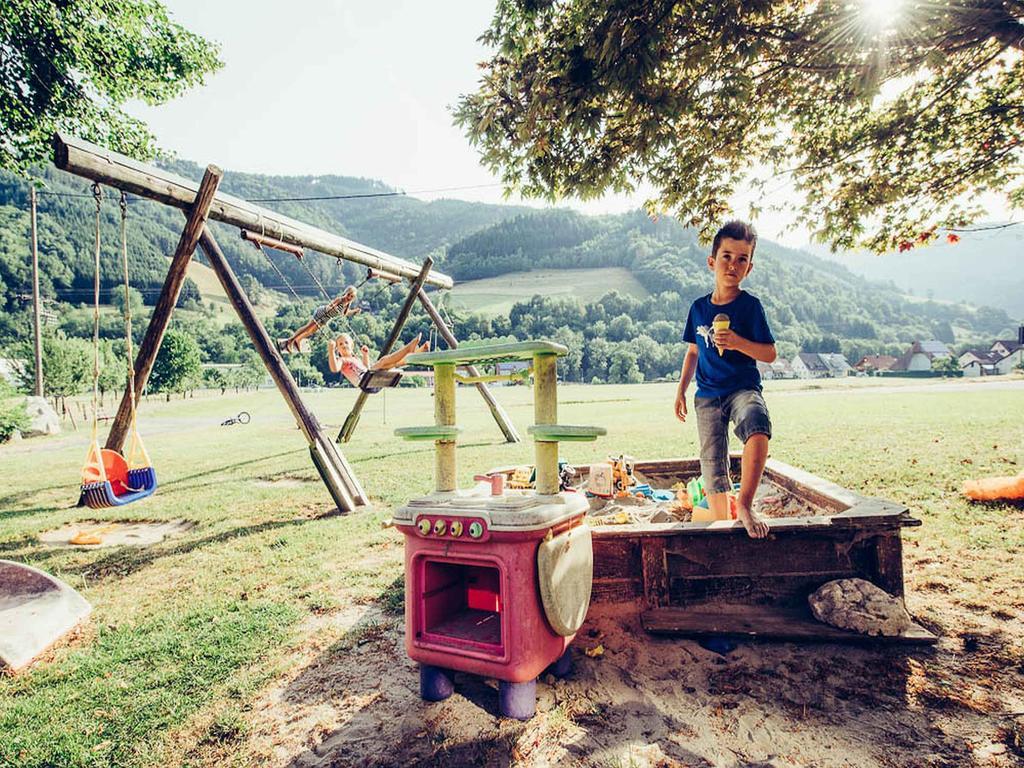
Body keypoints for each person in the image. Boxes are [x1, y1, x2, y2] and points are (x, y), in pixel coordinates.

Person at [675, 220, 777, 538]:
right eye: (726, 256)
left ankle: (745, 504)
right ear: (712, 261)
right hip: (706, 395)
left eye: (742, 259)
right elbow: (692, 352)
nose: (733, 265)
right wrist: (680, 391)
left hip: (742, 388)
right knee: (712, 464)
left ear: (749, 267)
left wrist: (737, 342)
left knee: (757, 423)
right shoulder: (698, 308)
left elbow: (770, 353)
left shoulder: (750, 307)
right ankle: (723, 520)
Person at [328, 332, 429, 391]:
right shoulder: (342, 360)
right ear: (338, 350)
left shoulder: (355, 359)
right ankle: (408, 349)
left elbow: (366, 367)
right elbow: (334, 368)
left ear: (352, 345)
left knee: (393, 364)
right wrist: (331, 351)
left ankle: (415, 353)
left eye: (346, 342)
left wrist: (365, 355)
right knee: (384, 360)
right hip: (365, 382)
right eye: (340, 344)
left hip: (369, 378)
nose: (344, 345)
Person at [278, 286, 361, 354]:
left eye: (351, 296)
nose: (349, 297)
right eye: (348, 295)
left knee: (311, 331)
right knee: (307, 327)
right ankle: (290, 341)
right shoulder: (340, 300)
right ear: (346, 293)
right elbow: (330, 306)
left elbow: (345, 313)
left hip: (327, 318)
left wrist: (354, 311)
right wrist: (332, 308)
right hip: (322, 313)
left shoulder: (347, 304)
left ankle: (298, 339)